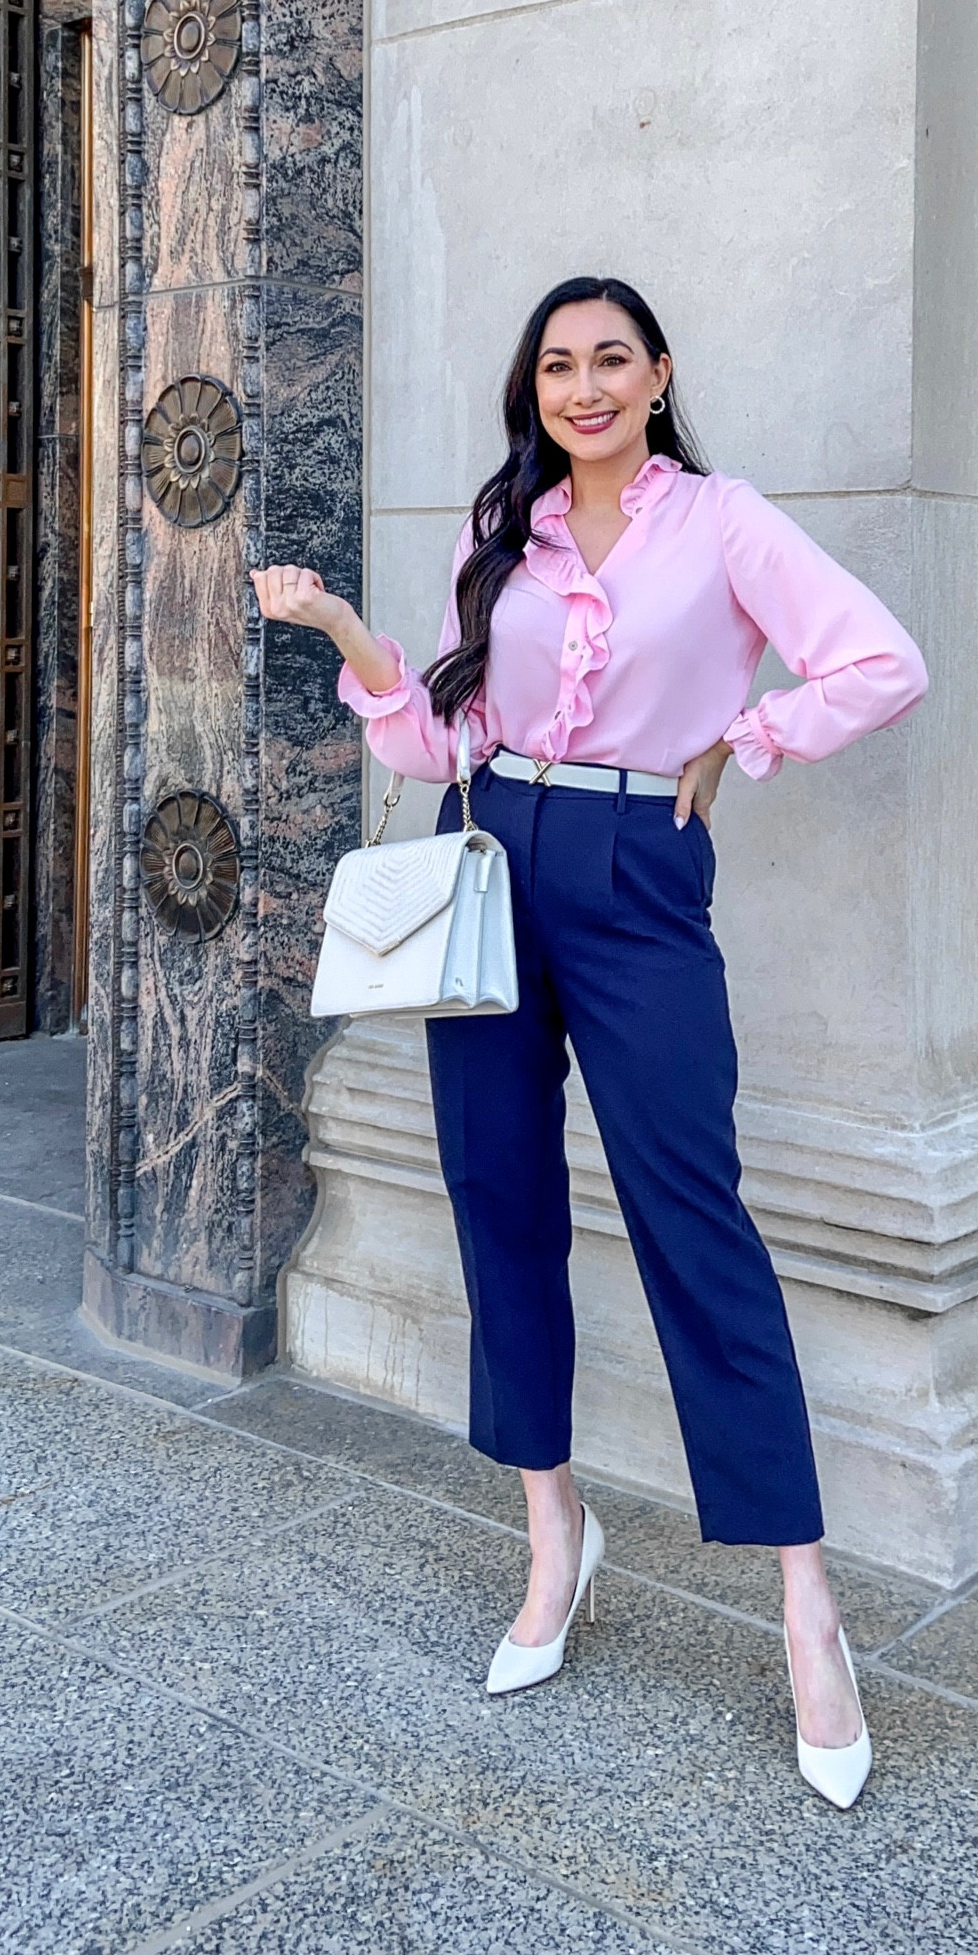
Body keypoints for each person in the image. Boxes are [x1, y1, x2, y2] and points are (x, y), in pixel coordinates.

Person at [252, 275, 927, 1809]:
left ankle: (804, 1603)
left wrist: (745, 739)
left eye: (610, 358)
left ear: (657, 372)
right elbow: (438, 736)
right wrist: (348, 630)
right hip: (486, 857)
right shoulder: (504, 527)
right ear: (534, 387)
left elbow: (879, 663)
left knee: (694, 1219)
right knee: (499, 1199)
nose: (583, 385)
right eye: (557, 363)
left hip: (636, 879)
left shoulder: (723, 520)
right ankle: (553, 1531)